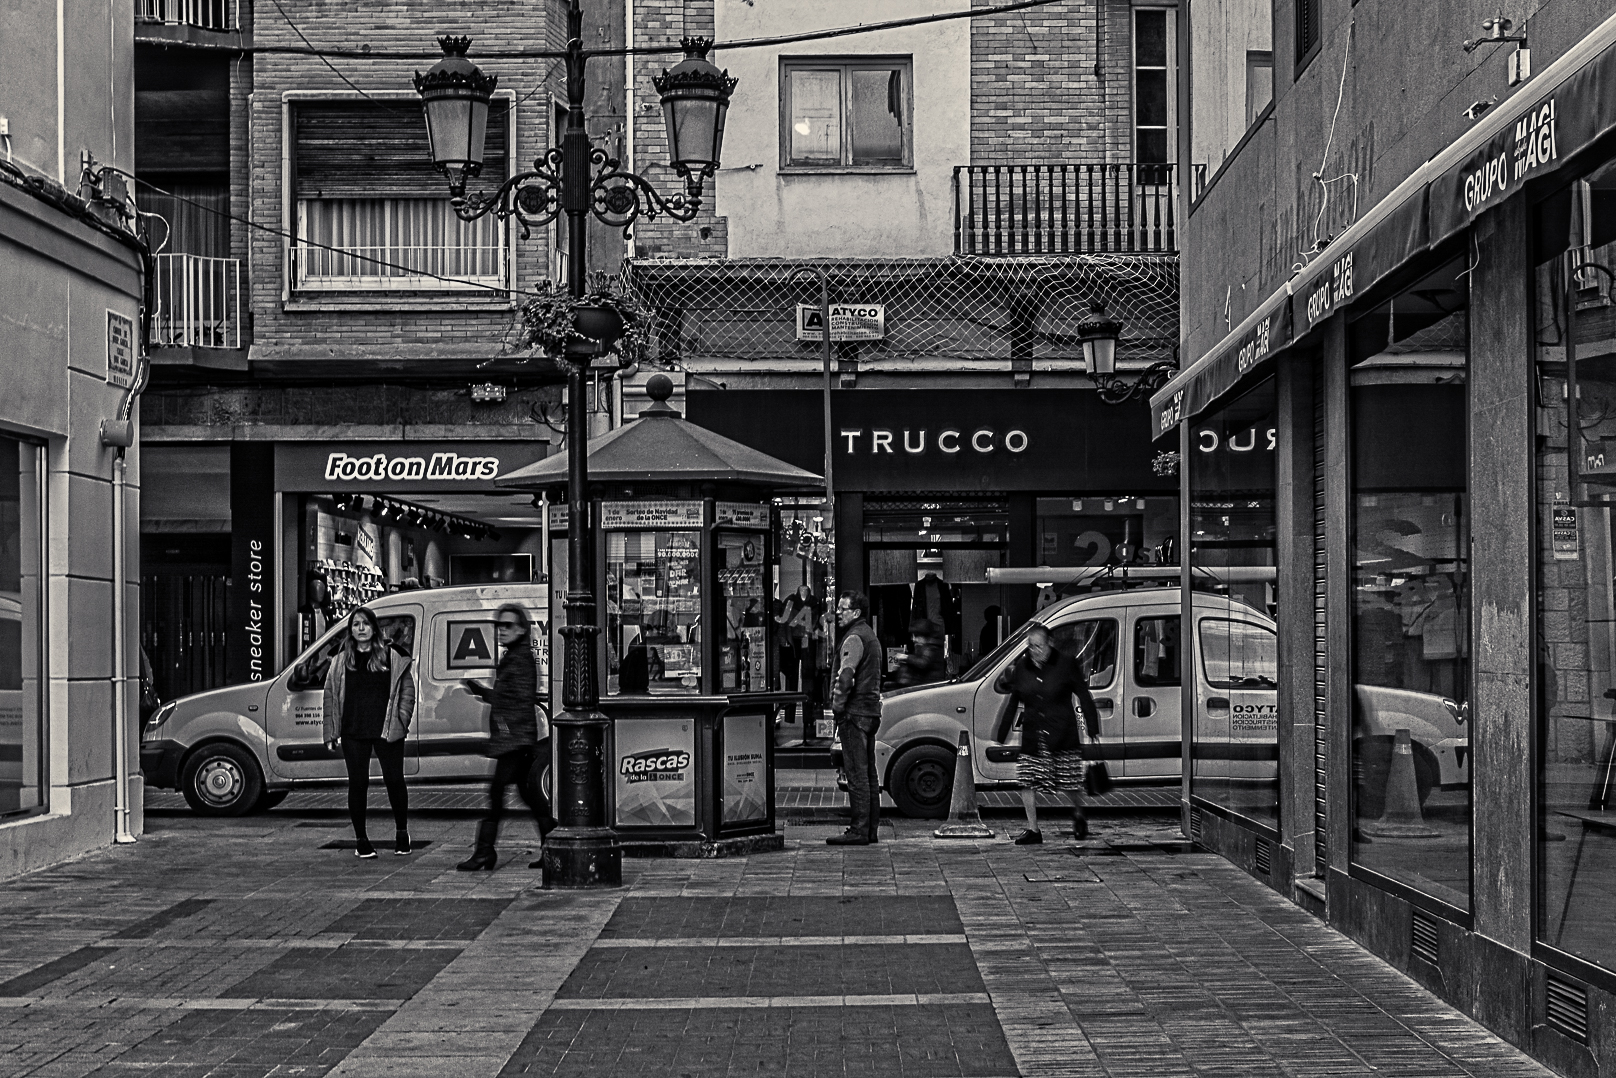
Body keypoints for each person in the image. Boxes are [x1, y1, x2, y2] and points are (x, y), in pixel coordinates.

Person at [456, 603, 555, 871]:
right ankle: (553, 850)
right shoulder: (514, 655)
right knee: (530, 797)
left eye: (508, 626)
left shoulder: (520, 659)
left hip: (514, 739)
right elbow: (511, 697)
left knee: (497, 792)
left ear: (522, 629)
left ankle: (485, 853)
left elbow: (520, 700)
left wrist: (485, 693)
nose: (502, 631)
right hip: (514, 737)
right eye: (499, 625)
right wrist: (483, 692)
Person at [994, 624, 1099, 844]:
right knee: (1026, 780)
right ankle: (1033, 829)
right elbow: (1015, 699)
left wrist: (1092, 726)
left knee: (1069, 783)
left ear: (1049, 643)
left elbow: (1083, 694)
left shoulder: (1066, 664)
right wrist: (1002, 731)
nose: (1034, 651)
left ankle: (1079, 813)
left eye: (1038, 646)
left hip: (1061, 733)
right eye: (1031, 647)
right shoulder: (1022, 667)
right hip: (1034, 733)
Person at [323, 607, 415, 858]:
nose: (360, 628)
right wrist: (330, 732)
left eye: (365, 624)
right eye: (355, 625)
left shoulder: (391, 656)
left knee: (394, 780)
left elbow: (407, 692)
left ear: (374, 628)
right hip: (353, 730)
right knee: (358, 784)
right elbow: (330, 696)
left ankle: (402, 833)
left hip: (386, 729)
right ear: (350, 631)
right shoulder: (341, 660)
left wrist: (402, 719)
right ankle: (361, 840)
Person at [827, 590, 884, 846]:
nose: (838, 612)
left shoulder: (854, 638)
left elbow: (846, 676)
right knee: (869, 774)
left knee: (856, 774)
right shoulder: (870, 636)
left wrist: (837, 707)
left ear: (856, 613)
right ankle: (870, 830)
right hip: (869, 711)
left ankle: (859, 829)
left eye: (843, 608)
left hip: (855, 713)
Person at [896, 618, 948, 688]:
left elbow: (923, 663)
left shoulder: (931, 647)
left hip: (929, 685)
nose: (914, 639)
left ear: (923, 635)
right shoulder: (928, 646)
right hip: (928, 685)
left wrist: (906, 657)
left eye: (916, 636)